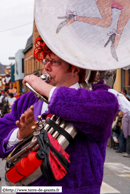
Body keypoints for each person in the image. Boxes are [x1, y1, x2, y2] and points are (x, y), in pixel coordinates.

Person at [0, 38, 119, 194]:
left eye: (54, 62)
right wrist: (20, 134)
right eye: (46, 61)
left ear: (75, 68)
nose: (46, 68)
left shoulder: (97, 96)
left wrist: (45, 89)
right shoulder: (28, 100)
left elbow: (104, 110)